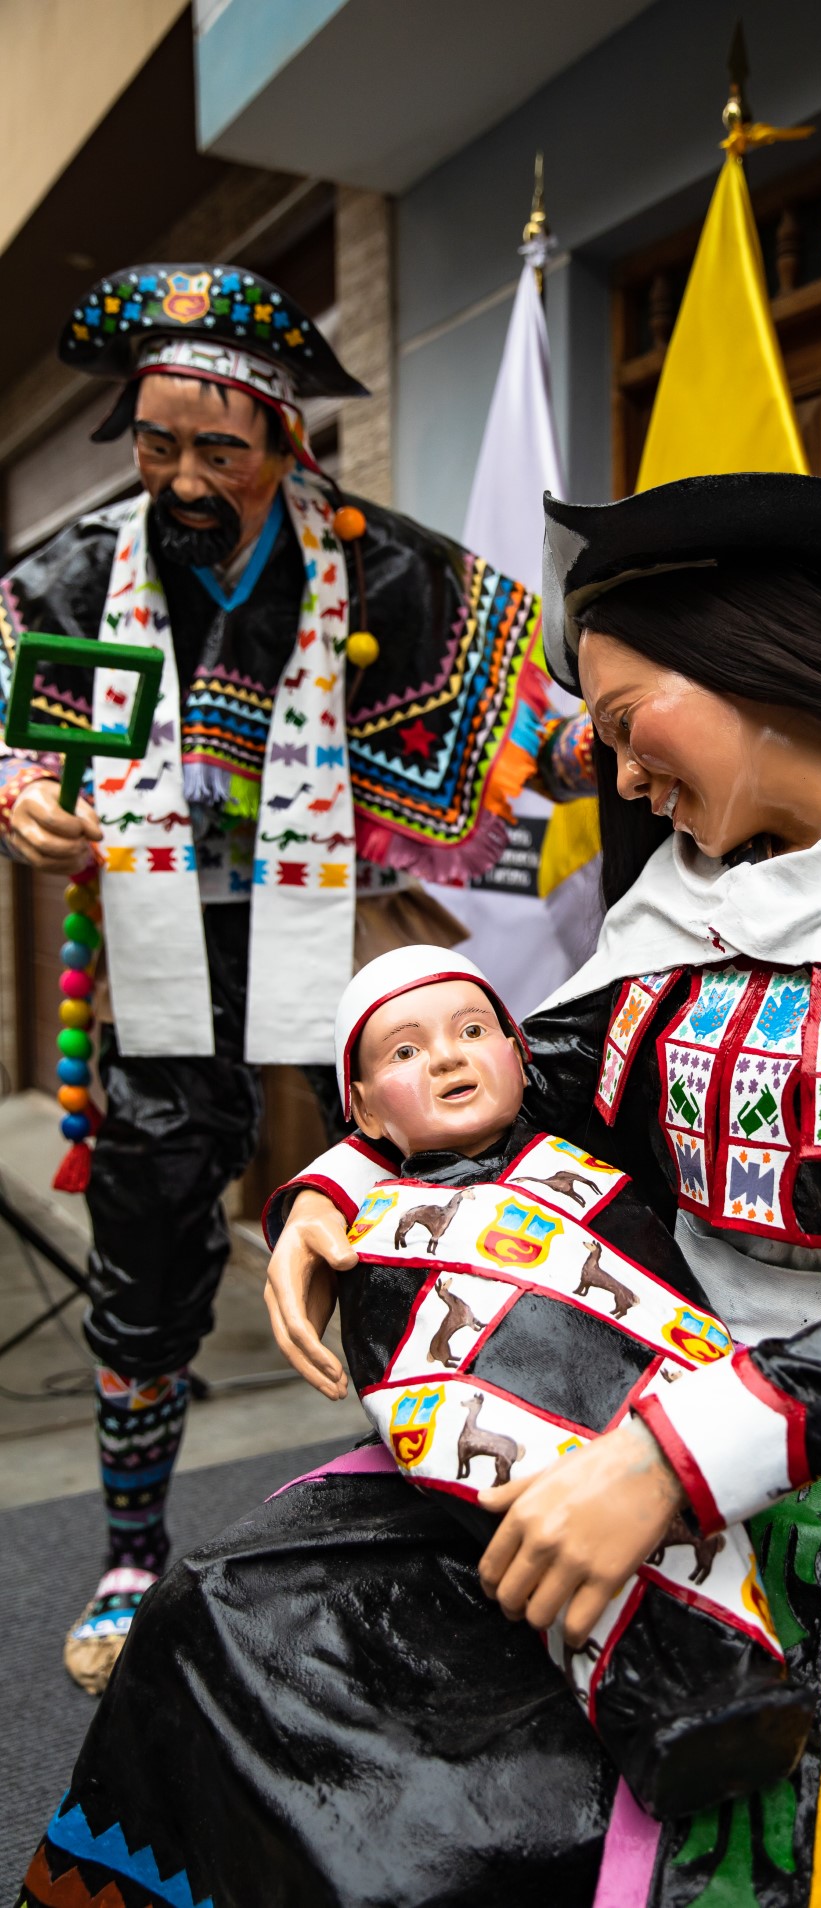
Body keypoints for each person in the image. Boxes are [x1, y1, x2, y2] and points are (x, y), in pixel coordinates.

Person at [20, 474, 821, 1908]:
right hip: (621, 1390)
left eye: (627, 726)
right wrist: (338, 1182)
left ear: (756, 666)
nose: (621, 782)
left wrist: (664, 1466)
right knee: (234, 1631)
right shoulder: (697, 900)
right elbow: (527, 1075)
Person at [0, 261, 549, 1692]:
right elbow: (13, 744)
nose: (181, 475)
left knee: (429, 1181)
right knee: (154, 1220)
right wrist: (23, 804)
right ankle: (129, 1550)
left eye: (216, 447)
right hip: (159, 935)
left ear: (285, 442)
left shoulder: (378, 564)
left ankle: (445, 1502)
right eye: (156, 442)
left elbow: (516, 708)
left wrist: (599, 747)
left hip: (344, 921)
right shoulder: (72, 571)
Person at [329, 942, 812, 1817]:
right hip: (513, 1457)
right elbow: (402, 1374)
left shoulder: (590, 1172)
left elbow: (670, 1292)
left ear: (520, 1052)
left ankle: (735, 1683)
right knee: (585, 1588)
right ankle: (661, 1714)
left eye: (473, 1030)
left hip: (658, 1426)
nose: (445, 1056)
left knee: (701, 1562)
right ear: (361, 1108)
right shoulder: (377, 1232)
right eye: (404, 1051)